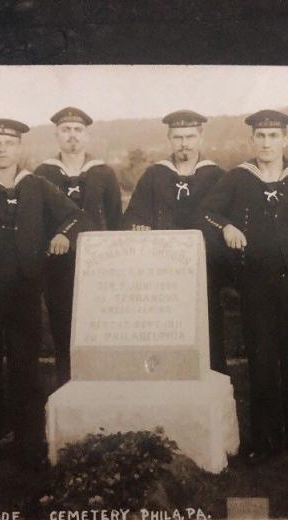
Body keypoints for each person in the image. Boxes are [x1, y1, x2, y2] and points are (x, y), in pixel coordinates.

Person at [200, 110, 288, 464]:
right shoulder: (238, 178)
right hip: (256, 284)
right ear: (252, 140)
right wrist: (226, 227)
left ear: (285, 140)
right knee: (262, 361)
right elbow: (206, 212)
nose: (267, 143)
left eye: (273, 136)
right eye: (261, 137)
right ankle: (265, 443)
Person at [0, 118, 82, 468]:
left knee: (25, 365)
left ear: (19, 148)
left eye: (9, 144)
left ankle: (28, 440)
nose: (3, 150)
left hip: (26, 290)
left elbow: (75, 216)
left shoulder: (37, 185)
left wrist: (62, 234)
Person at [122, 110, 230, 373]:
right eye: (178, 137)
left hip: (205, 270)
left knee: (208, 328)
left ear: (200, 137)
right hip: (163, 274)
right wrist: (139, 226)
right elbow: (133, 216)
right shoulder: (154, 175)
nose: (184, 143)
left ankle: (212, 381)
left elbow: (228, 220)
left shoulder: (217, 176)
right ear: (169, 139)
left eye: (190, 137)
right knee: (165, 331)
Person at [35, 106, 122, 386]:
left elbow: (116, 220)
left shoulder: (104, 173)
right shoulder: (43, 173)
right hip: (59, 265)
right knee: (63, 328)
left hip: (99, 265)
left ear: (87, 135)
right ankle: (66, 387)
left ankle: (102, 390)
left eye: (78, 130)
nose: (72, 136)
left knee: (100, 328)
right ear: (57, 135)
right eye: (66, 130)